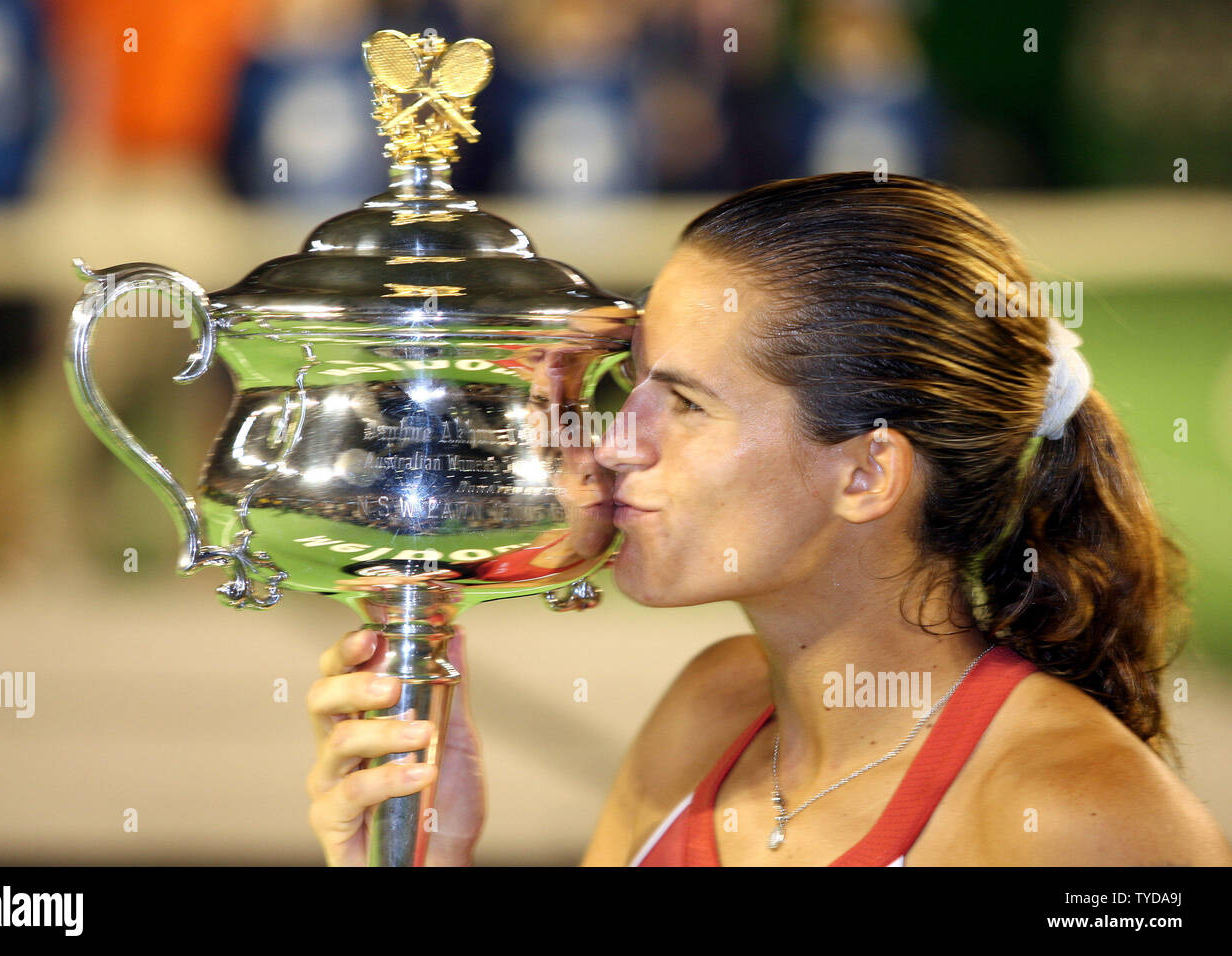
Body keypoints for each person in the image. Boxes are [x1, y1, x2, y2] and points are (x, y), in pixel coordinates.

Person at [304, 172, 1232, 866]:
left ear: (867, 473)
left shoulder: (1089, 823)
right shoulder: (709, 710)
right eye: (633, 385)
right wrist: (427, 853)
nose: (615, 442)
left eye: (689, 404)